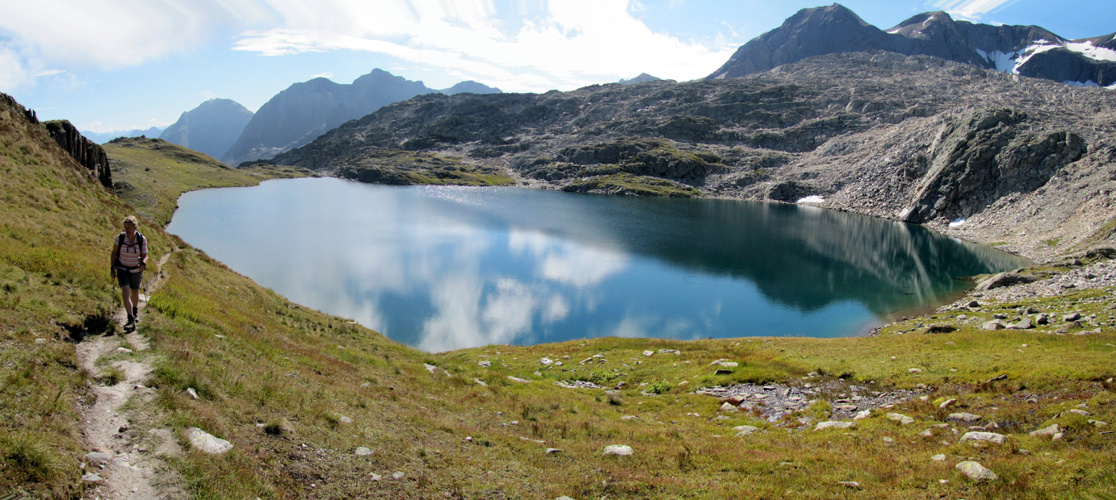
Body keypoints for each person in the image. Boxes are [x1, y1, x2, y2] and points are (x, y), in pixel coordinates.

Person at [111, 215, 148, 329]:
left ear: (135, 227)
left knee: (135, 292)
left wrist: (143, 263)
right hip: (122, 268)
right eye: (125, 227)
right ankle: (130, 318)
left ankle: (135, 312)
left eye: (129, 227)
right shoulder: (120, 238)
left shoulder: (141, 239)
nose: (127, 230)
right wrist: (112, 267)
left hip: (135, 269)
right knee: (125, 292)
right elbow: (114, 252)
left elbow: (145, 255)